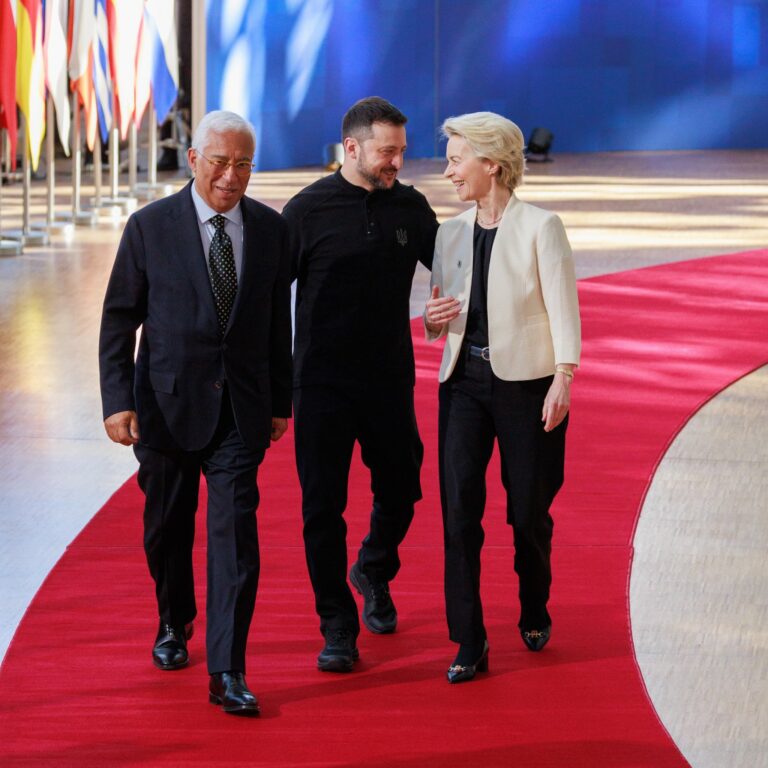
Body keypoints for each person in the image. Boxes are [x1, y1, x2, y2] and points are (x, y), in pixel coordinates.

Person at [99, 110, 292, 715]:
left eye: (244, 165)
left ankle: (228, 669)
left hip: (240, 409)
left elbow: (275, 324)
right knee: (167, 528)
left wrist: (280, 401)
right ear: (193, 159)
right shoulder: (149, 227)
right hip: (164, 405)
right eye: (221, 163)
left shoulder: (270, 230)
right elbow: (119, 319)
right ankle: (173, 617)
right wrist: (117, 401)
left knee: (235, 536)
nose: (231, 177)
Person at [424, 112, 581, 683]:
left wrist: (564, 375)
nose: (448, 171)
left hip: (529, 385)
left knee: (528, 511)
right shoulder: (448, 233)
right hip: (463, 382)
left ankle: (534, 604)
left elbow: (563, 305)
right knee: (458, 512)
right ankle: (469, 640)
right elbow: (438, 319)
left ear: (491, 163)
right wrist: (432, 319)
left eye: (456, 159)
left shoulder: (542, 227)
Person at [282, 96, 438, 672]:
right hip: (320, 384)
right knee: (322, 508)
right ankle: (337, 625)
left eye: (401, 151)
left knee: (403, 488)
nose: (397, 161)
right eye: (386, 151)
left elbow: (455, 272)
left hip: (388, 379)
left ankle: (372, 566)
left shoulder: (411, 207)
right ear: (351, 148)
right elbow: (269, 298)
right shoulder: (306, 210)